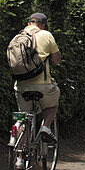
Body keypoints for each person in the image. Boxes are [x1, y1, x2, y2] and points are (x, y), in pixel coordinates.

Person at [14, 13, 61, 142]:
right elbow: (57, 60)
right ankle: (45, 127)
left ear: (29, 23)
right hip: (43, 85)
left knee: (23, 119)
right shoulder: (46, 35)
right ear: (43, 25)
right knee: (52, 105)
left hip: (21, 85)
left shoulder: (19, 36)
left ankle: (19, 158)